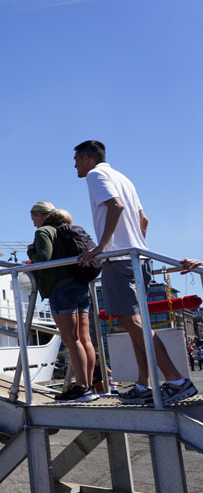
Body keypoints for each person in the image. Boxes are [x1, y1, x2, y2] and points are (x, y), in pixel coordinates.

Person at [75, 140, 196, 404]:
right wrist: (135, 244)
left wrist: (101, 247)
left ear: (86, 158)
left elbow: (115, 206)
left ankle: (176, 380)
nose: (74, 166)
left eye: (76, 160)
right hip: (138, 257)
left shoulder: (96, 175)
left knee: (134, 323)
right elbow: (144, 220)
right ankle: (143, 385)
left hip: (119, 259)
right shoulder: (123, 178)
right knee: (135, 326)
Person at [27, 202, 98, 402]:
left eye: (33, 218)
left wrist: (30, 252)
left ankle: (81, 388)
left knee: (71, 339)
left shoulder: (44, 232)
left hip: (61, 289)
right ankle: (89, 386)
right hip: (80, 287)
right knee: (85, 339)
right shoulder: (66, 231)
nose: (33, 223)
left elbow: (43, 258)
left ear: (40, 215)